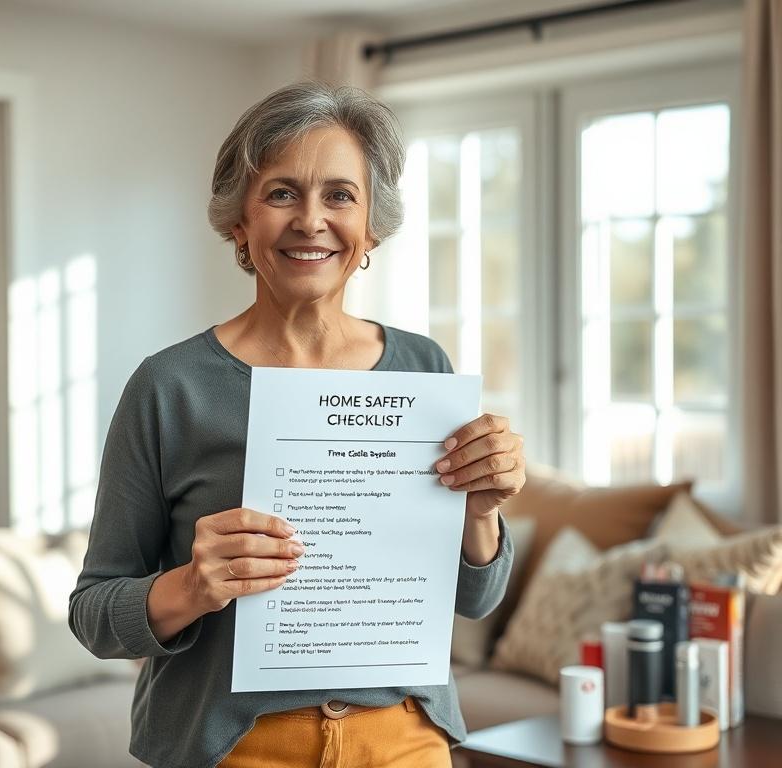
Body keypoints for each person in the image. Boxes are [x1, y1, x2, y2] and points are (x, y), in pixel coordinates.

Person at [68, 80, 525, 768]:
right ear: (238, 223)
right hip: (233, 747)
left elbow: (473, 599)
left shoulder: (423, 366)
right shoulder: (170, 386)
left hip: (403, 741)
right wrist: (193, 586)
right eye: (282, 193)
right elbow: (95, 615)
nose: (311, 219)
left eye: (339, 195)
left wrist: (481, 514)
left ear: (372, 226)